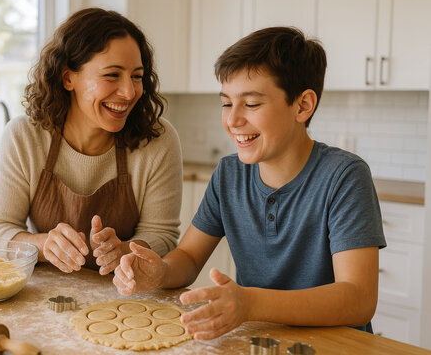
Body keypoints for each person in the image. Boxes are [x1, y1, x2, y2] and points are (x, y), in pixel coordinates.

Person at [113, 26, 386, 339]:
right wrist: (160, 272)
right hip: (257, 340)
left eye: (252, 104)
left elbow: (358, 299)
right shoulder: (229, 174)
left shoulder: (344, 176)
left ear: (302, 105)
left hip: (334, 345)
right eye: (227, 103)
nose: (232, 120)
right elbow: (188, 257)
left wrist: (250, 303)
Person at [0, 8, 183, 276]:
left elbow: (162, 235)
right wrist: (42, 245)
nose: (129, 91)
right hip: (46, 298)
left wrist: (126, 250)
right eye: (112, 75)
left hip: (127, 299)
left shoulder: (157, 140)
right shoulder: (24, 136)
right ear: (68, 78)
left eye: (136, 76)